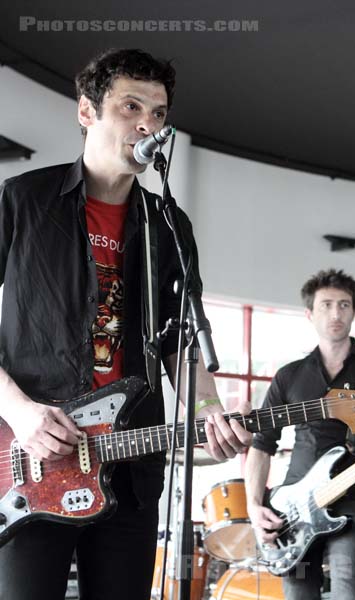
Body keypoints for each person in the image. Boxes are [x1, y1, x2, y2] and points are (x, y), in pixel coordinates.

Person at [0, 48, 251, 600]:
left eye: (158, 113)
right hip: (34, 457)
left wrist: (210, 412)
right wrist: (17, 411)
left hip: (130, 462)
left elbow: (184, 337)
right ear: (87, 112)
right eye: (131, 106)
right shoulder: (24, 201)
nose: (147, 123)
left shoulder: (167, 224)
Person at [245, 268, 355, 600]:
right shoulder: (289, 376)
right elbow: (262, 445)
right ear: (309, 313)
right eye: (327, 304)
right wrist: (254, 506)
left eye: (344, 305)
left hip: (354, 505)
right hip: (291, 509)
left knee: (351, 593)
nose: (336, 313)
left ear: (354, 311)